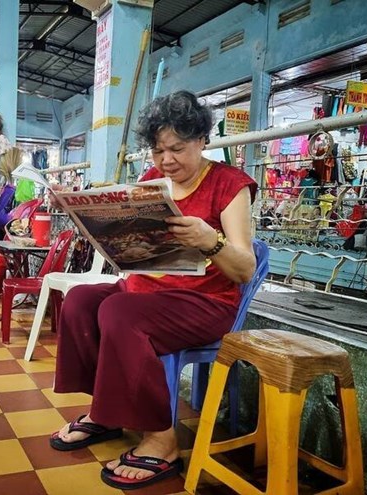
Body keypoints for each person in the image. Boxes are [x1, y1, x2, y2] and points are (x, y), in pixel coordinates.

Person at [49, 90, 258, 490]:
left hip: (205, 302)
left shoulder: (230, 184)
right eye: (158, 150)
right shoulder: (152, 180)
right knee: (78, 301)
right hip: (145, 291)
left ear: (202, 139)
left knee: (118, 313)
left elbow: (245, 269)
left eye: (177, 149)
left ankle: (162, 438)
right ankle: (106, 411)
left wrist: (209, 240)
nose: (166, 161)